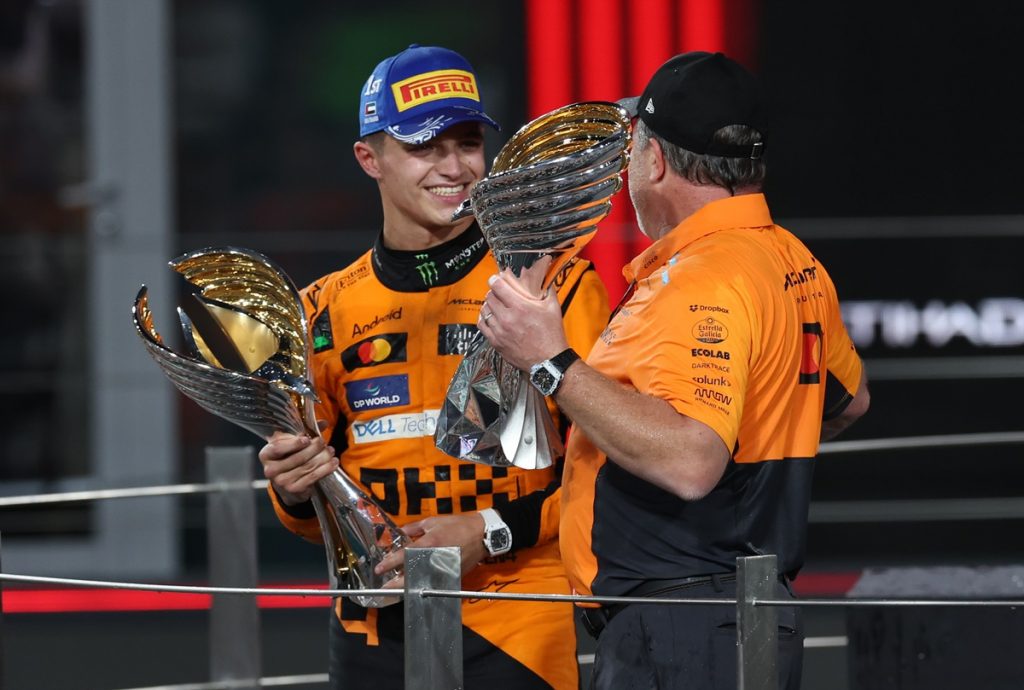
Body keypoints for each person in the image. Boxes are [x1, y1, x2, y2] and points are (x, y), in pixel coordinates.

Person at [478, 51, 870, 690]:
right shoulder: (794, 260)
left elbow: (691, 462)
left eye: (633, 146)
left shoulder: (703, 278)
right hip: (742, 616)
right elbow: (848, 402)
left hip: (682, 630)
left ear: (653, 160)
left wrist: (549, 360)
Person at [257, 44, 610, 690]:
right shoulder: (319, 314)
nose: (455, 168)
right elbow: (312, 514)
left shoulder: (551, 286)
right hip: (372, 628)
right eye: (425, 146)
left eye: (469, 143)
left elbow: (606, 477)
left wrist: (488, 532)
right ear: (370, 158)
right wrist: (289, 487)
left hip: (519, 623)